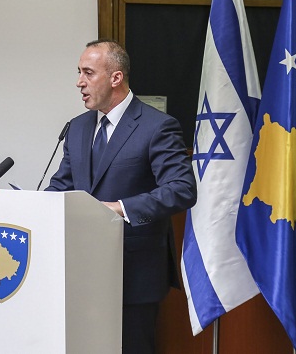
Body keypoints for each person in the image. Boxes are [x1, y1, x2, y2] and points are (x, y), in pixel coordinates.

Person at [45, 39, 197, 354]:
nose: (79, 82)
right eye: (79, 73)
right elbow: (61, 187)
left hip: (133, 273)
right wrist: (31, 208)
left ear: (115, 78)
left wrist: (120, 208)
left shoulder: (157, 126)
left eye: (88, 73)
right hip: (80, 270)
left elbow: (181, 188)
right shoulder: (77, 128)